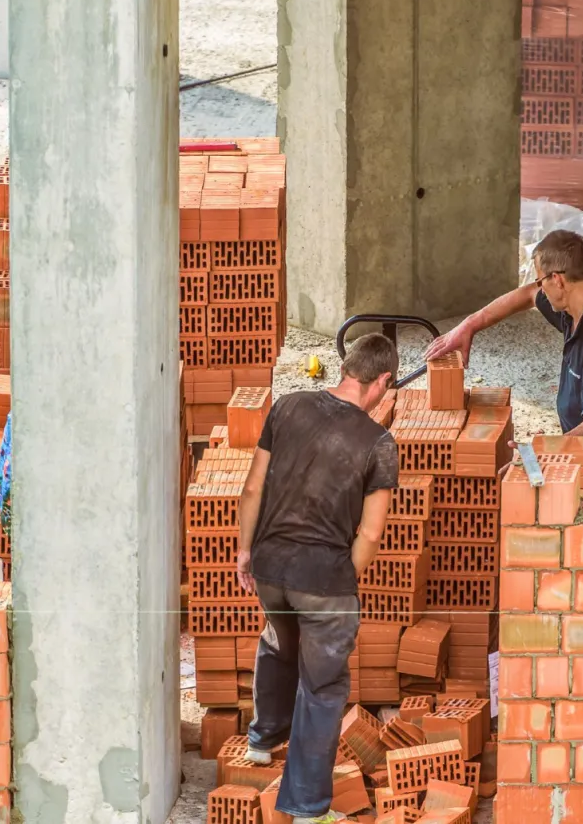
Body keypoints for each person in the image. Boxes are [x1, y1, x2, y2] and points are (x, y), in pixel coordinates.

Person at [235, 333, 399, 824]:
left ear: (346, 369)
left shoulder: (287, 406)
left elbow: (251, 487)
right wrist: (342, 578)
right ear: (383, 382)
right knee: (323, 685)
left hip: (270, 565)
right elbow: (370, 533)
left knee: (279, 641)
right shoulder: (380, 444)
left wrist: (245, 552)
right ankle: (306, 806)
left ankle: (263, 741)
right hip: (323, 578)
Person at [424, 229, 583, 436]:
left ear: (557, 280)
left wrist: (550, 449)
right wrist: (469, 325)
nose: (540, 288)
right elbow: (528, 294)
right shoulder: (572, 309)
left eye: (541, 281)